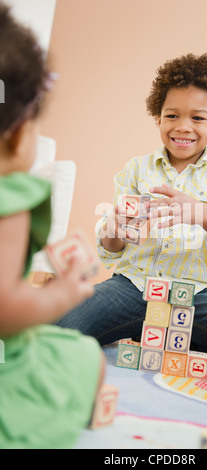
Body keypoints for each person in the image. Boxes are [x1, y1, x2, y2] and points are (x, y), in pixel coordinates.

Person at [57, 53, 207, 381]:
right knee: (57, 328)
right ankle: (141, 335)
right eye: (172, 115)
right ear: (158, 118)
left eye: (198, 118)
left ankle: (176, 341)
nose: (183, 126)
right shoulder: (137, 169)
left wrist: (201, 213)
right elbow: (112, 244)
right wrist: (115, 227)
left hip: (195, 294)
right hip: (132, 285)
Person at [0, 3, 105, 449]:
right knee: (84, 355)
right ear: (22, 134)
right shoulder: (11, 198)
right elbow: (5, 310)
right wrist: (63, 293)